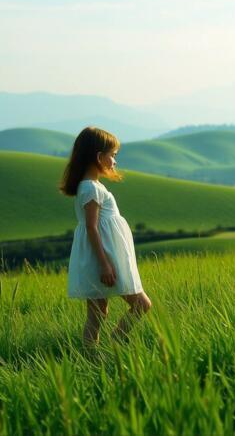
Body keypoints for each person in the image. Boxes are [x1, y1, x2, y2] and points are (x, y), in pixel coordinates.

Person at [59, 127, 152, 347]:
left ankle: (93, 356)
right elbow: (91, 227)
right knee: (141, 304)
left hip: (102, 257)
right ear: (99, 157)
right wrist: (105, 265)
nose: (115, 161)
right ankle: (116, 342)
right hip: (105, 259)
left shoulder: (91, 186)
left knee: (98, 313)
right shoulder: (91, 188)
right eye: (113, 155)